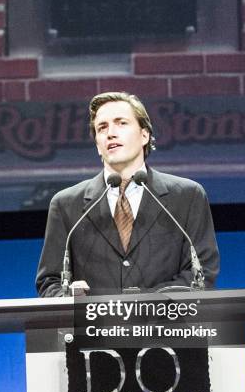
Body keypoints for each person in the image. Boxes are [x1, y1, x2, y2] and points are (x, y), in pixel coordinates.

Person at [36, 91, 219, 296]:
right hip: (94, 327)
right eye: (102, 127)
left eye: (121, 123)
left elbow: (201, 273)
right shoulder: (66, 204)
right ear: (98, 145)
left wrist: (143, 309)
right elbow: (50, 282)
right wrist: (79, 304)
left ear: (144, 135)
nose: (110, 133)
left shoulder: (188, 196)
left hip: (166, 325)